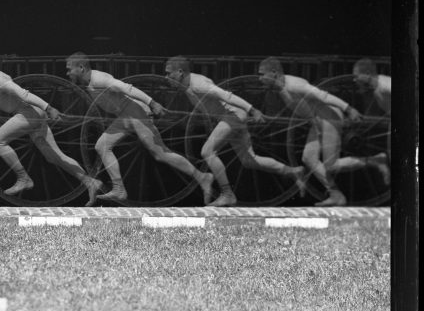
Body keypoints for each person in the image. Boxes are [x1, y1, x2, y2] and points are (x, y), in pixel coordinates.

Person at [66, 52, 214, 204]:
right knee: (102, 146)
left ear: (81, 68)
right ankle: (119, 189)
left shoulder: (99, 79)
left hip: (137, 113)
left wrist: (152, 103)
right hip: (125, 116)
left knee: (160, 153)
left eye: (70, 69)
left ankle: (202, 177)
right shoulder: (89, 83)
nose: (67, 73)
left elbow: (127, 88)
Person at [0, 50, 103, 204]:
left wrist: (49, 107)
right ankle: (90, 182)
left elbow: (24, 94)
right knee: (54, 156)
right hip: (30, 115)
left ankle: (23, 178)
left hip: (29, 113)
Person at [165, 56, 306, 206]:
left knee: (207, 151)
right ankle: (292, 171)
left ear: (180, 72)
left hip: (233, 116)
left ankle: (227, 194)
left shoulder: (198, 84)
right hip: (231, 117)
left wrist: (252, 110)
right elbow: (207, 104)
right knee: (249, 160)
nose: (166, 77)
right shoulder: (189, 86)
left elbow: (226, 96)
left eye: (168, 73)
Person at [258, 57, 389, 206]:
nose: (260, 78)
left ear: (274, 73)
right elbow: (302, 108)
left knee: (331, 166)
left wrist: (348, 109)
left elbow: (323, 96)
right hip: (318, 121)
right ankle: (335, 194)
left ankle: (375, 160)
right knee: (308, 158)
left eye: (262, 74)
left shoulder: (294, 85)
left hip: (330, 118)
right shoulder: (281, 89)